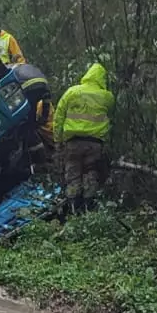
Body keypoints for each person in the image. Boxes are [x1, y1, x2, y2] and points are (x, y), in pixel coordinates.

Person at [52, 62, 113, 214]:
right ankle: (89, 209)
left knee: (73, 174)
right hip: (95, 144)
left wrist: (57, 140)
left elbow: (59, 116)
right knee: (91, 173)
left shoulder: (72, 92)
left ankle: (74, 209)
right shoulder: (107, 97)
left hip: (73, 143)